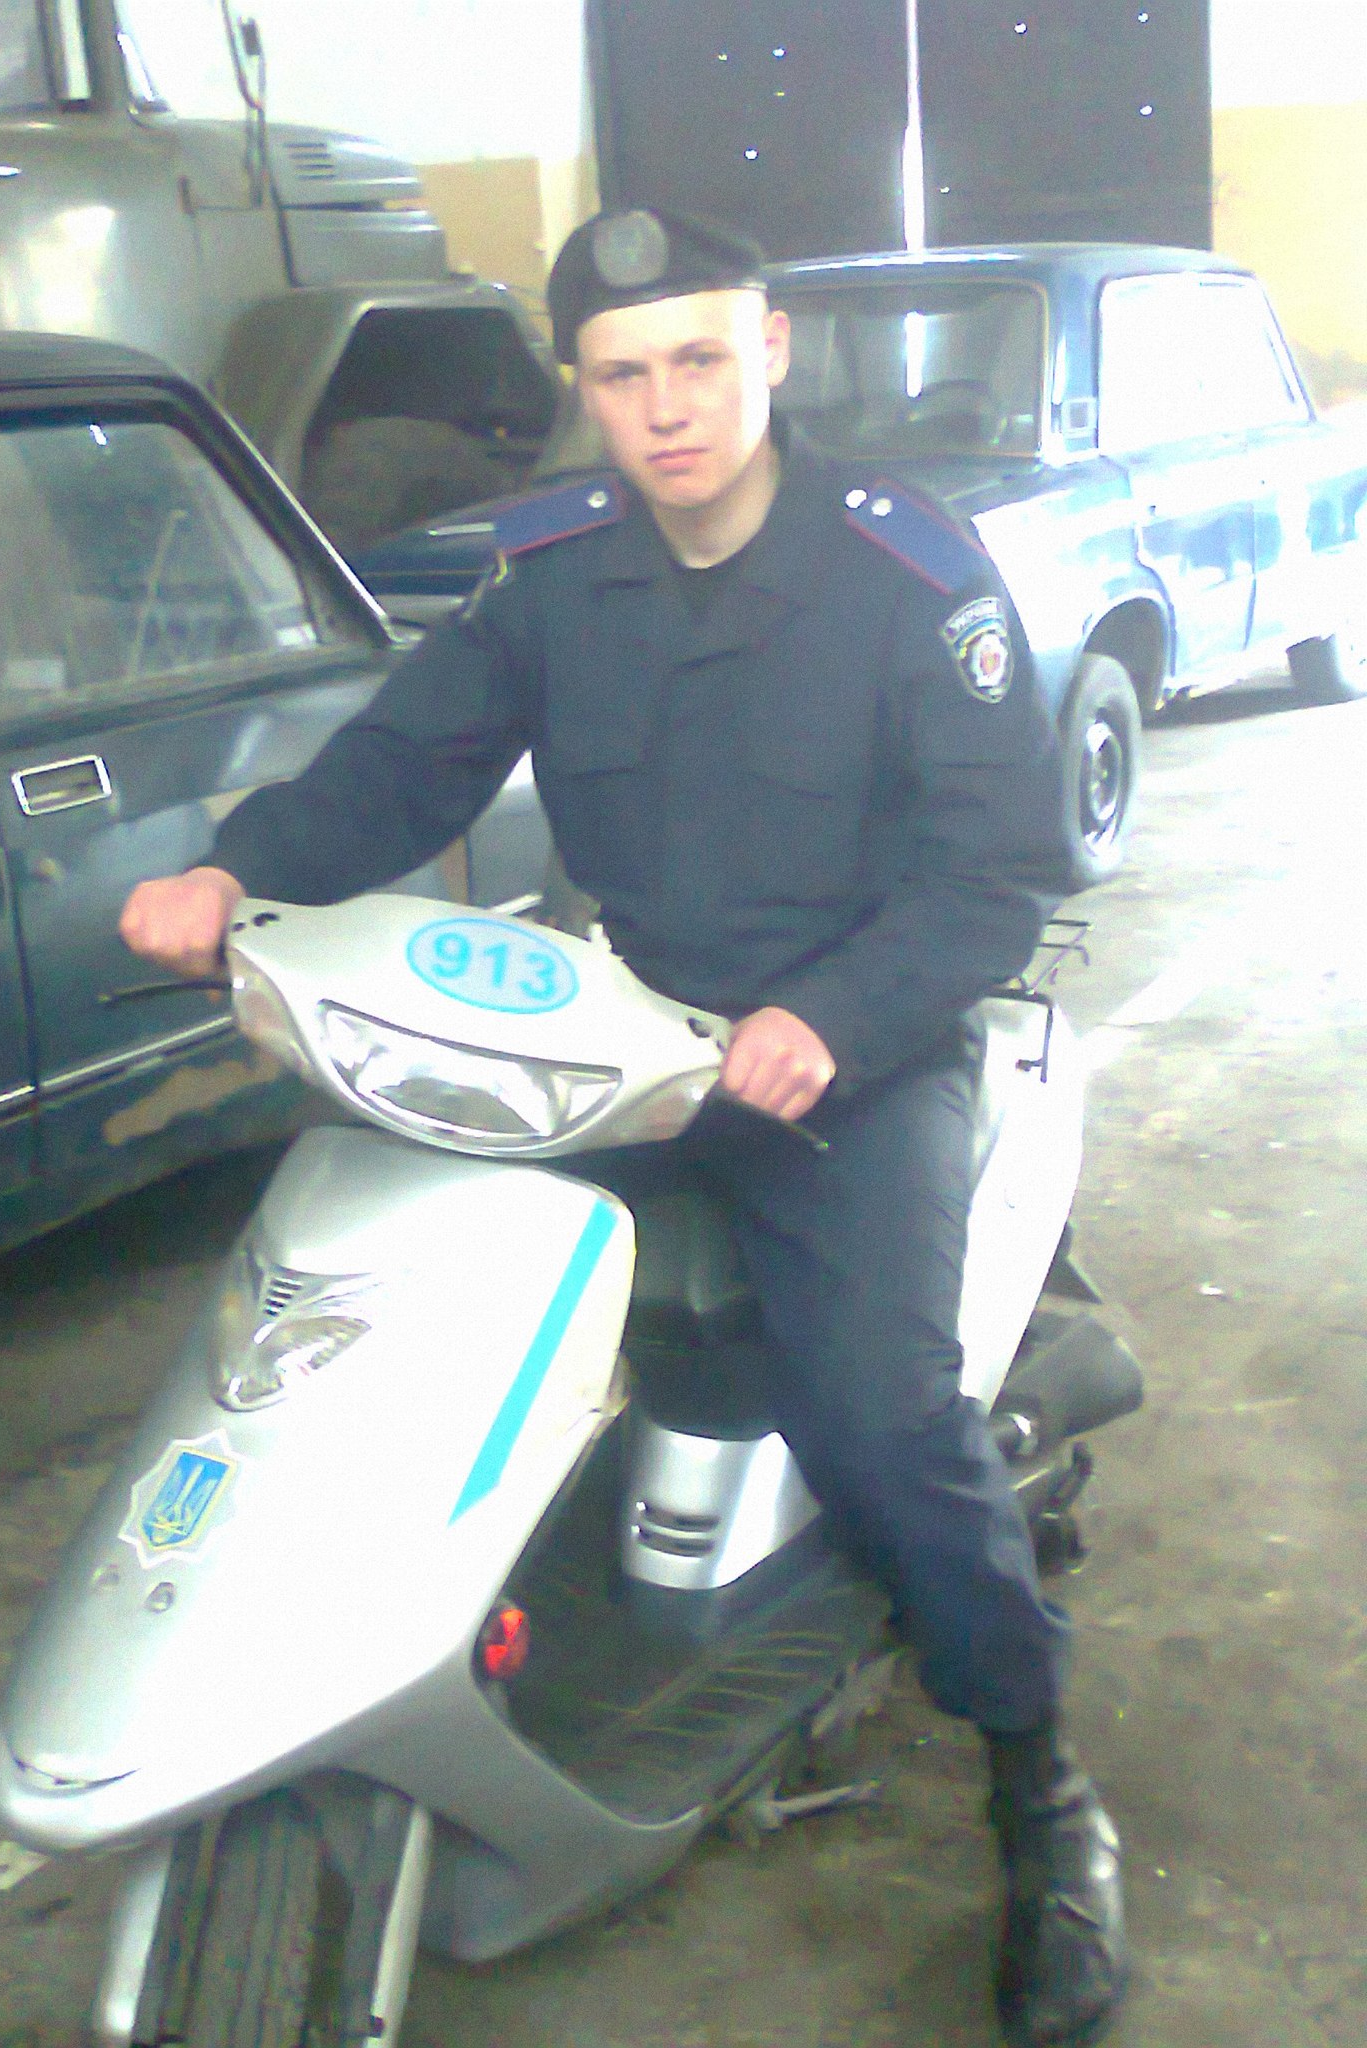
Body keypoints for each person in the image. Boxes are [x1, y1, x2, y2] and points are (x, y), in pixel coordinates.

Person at [120, 207, 1128, 2046]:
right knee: (402, 1299)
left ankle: (1041, 1788)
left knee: (881, 1414)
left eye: (699, 360)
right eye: (621, 373)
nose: (666, 407)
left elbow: (998, 870)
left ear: (771, 353)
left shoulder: (909, 572)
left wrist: (832, 1020)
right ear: (581, 389)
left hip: (855, 1062)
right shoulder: (555, 573)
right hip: (623, 1044)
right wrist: (234, 873)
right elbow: (407, 762)